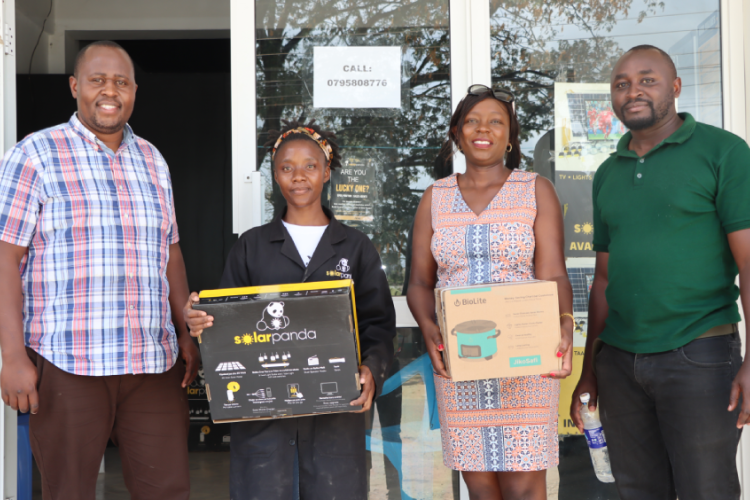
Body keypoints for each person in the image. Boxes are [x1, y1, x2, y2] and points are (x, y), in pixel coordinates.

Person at [0, 41, 199, 499]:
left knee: (167, 489)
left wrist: (184, 332)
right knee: (68, 490)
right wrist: (11, 356)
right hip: (69, 360)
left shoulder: (152, 159)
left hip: (151, 361)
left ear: (134, 91)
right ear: (75, 87)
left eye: (121, 82)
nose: (110, 91)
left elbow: (170, 251)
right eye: (97, 80)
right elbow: (5, 258)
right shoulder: (35, 154)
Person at [570, 44, 750, 500]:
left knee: (706, 491)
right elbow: (604, 280)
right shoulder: (608, 172)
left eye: (647, 80)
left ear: (675, 87)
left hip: (699, 353)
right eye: (621, 84)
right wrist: (590, 371)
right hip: (619, 362)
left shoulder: (723, 151)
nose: (633, 91)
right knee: (637, 491)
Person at [184, 119, 396, 500]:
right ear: (275, 176)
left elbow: (378, 325)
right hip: (264, 423)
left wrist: (372, 368)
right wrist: (199, 321)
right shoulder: (250, 248)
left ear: (326, 172)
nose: (299, 176)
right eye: (286, 167)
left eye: (310, 166)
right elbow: (223, 325)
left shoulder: (356, 248)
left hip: (334, 420)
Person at [406, 85, 574, 500]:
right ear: (457, 134)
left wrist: (565, 325)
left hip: (525, 358)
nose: (483, 129)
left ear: (510, 136)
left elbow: (553, 273)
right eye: (472, 121)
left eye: (496, 121)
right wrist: (429, 328)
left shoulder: (536, 188)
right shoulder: (435, 197)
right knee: (480, 488)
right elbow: (420, 282)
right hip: (461, 361)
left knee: (524, 486)